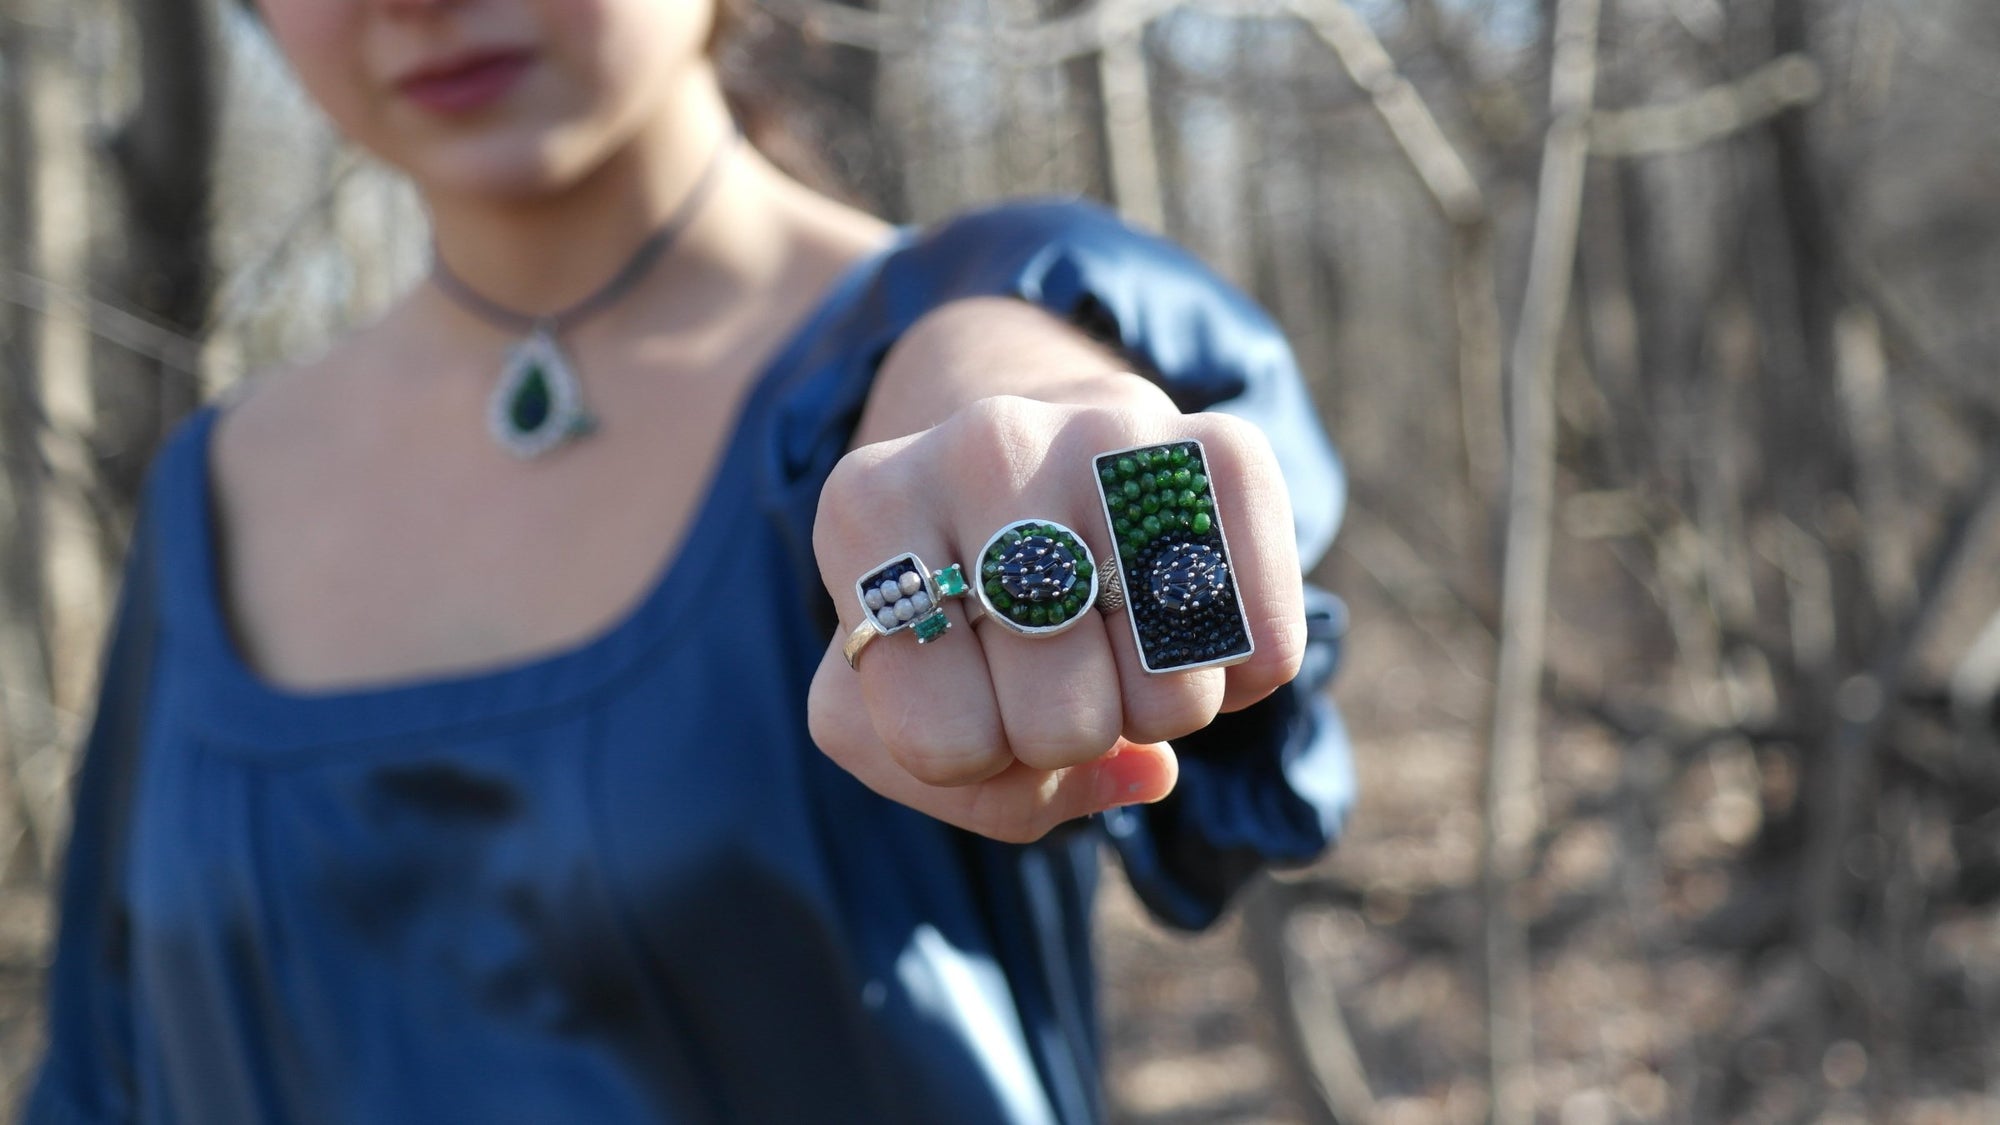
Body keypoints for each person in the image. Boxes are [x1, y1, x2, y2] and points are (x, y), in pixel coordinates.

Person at [27, 0, 1352, 1121]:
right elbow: (103, 1058)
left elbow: (1033, 404)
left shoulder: (959, 328)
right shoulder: (209, 490)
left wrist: (1026, 430)